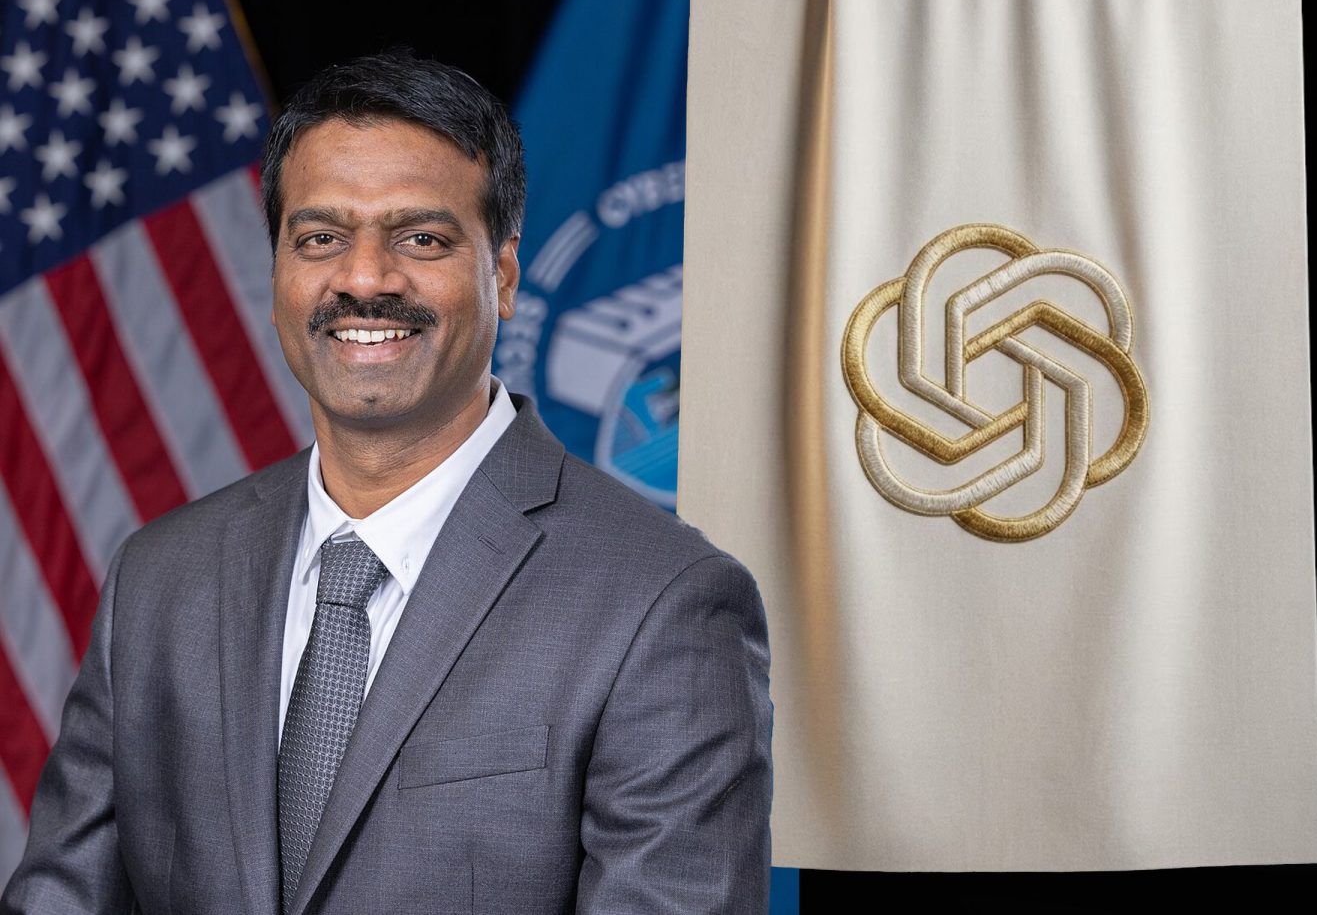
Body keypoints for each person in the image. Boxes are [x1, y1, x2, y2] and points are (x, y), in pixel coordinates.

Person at [2, 50, 772, 915]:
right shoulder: (159, 579)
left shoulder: (664, 602)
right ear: (278, 274)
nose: (364, 279)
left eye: (421, 239)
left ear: (504, 276)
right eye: (321, 239)